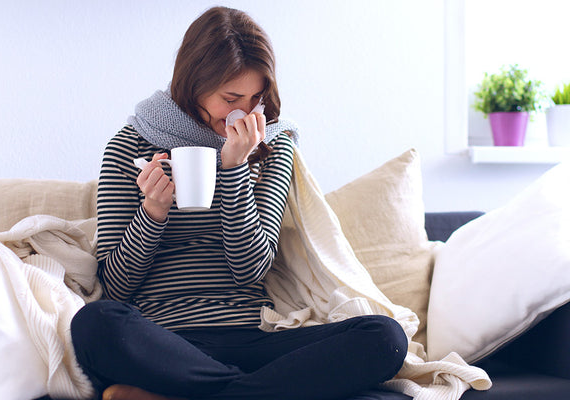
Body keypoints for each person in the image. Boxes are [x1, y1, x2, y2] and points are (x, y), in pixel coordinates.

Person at [70, 6, 407, 400]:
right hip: (161, 342)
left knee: (384, 337)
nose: (243, 113)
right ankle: (244, 393)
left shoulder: (273, 145)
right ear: (193, 83)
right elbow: (114, 286)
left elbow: (251, 269)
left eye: (255, 98)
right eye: (230, 97)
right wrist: (153, 212)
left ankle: (191, 394)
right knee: (95, 323)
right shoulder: (130, 144)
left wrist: (234, 168)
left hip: (253, 339)